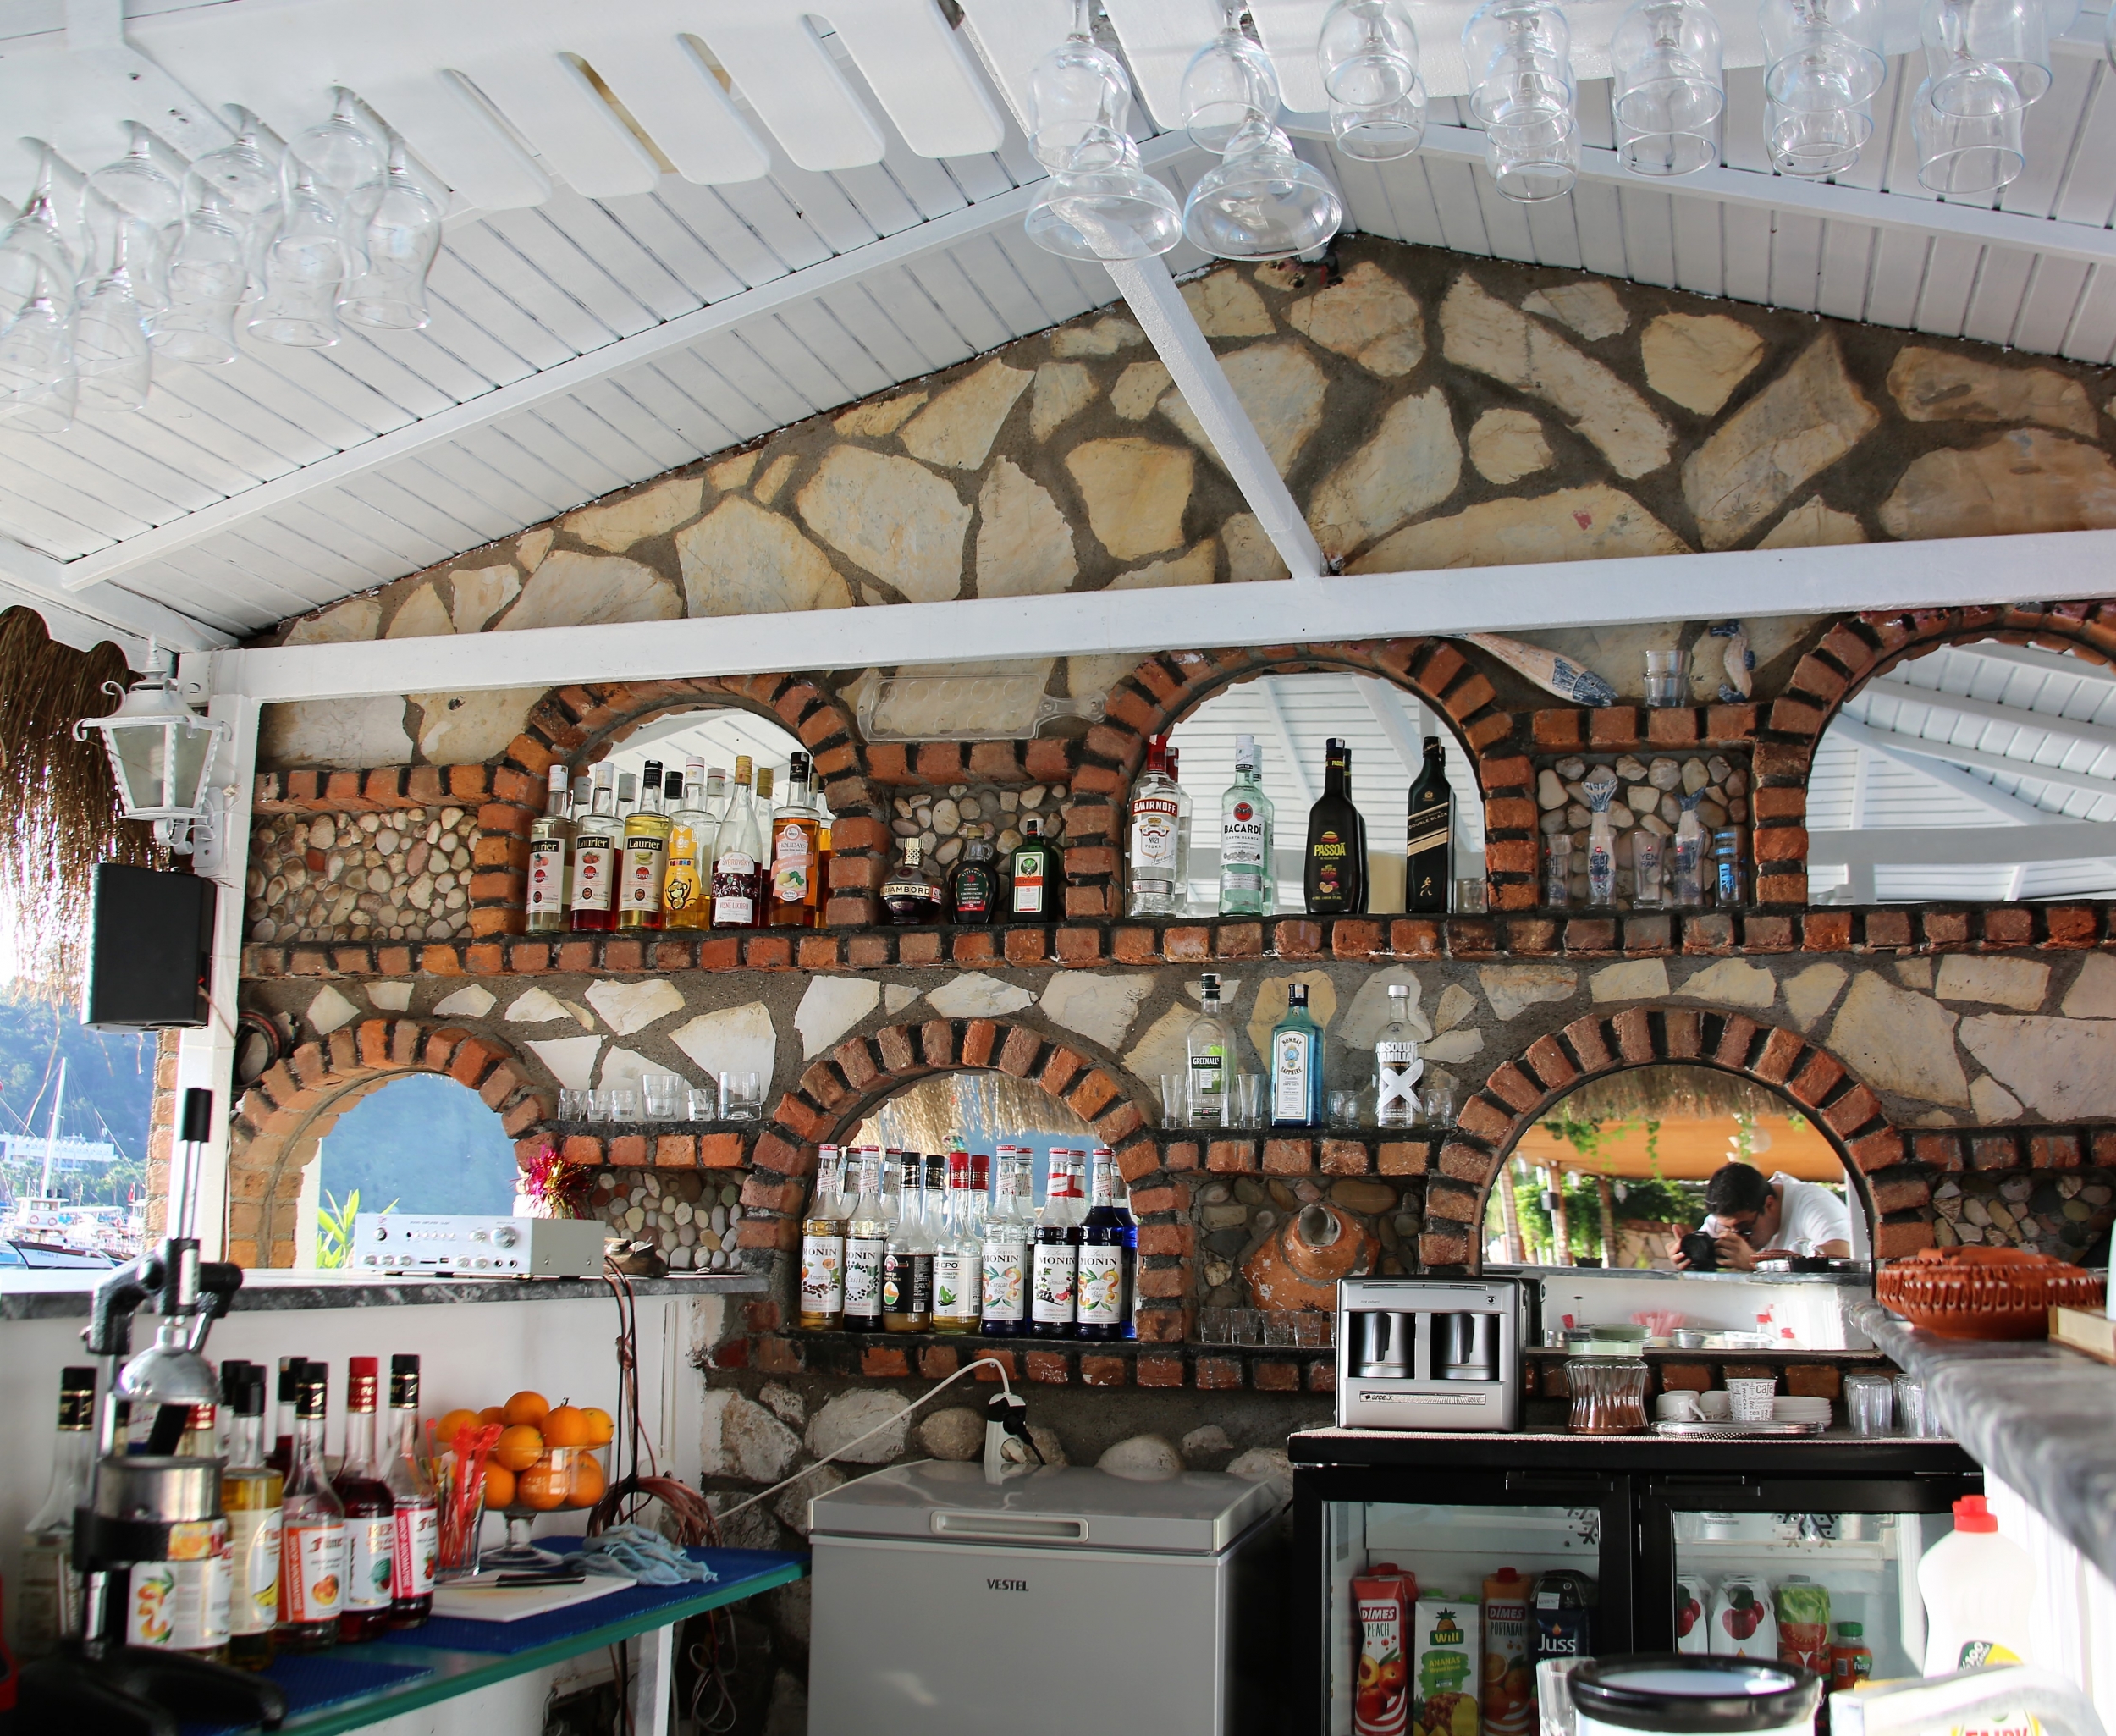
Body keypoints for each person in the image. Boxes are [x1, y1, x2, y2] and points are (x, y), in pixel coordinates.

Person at [1672, 1163, 1852, 1271]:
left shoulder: (1812, 1203)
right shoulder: (1731, 1215)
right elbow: (1700, 1250)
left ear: (1769, 1204)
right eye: (1726, 1230)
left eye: (1745, 1229)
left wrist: (1757, 1262)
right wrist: (1686, 1255)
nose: (1738, 1238)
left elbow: (1843, 1254)